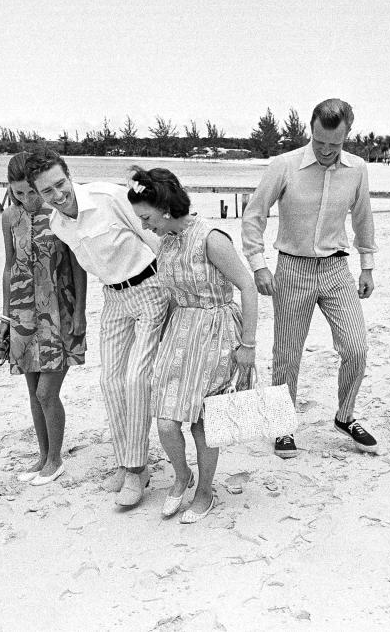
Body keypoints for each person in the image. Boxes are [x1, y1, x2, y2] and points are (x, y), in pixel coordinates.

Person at [24, 149, 169, 507]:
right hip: (114, 298)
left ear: (69, 175)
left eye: (61, 184)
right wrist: (79, 313)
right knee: (110, 381)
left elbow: (154, 236)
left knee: (137, 378)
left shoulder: (108, 196)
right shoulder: (58, 224)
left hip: (150, 287)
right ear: (38, 194)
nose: (58, 195)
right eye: (47, 192)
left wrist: (177, 288)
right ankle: (127, 460)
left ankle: (136, 470)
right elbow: (86, 268)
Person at [242, 98, 380, 458]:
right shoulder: (284, 166)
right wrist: (258, 264)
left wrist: (367, 266)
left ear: (347, 135)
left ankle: (345, 415)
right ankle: (281, 427)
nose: (326, 150)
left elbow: (363, 218)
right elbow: (254, 214)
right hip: (292, 269)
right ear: (311, 130)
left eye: (335, 144)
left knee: (356, 347)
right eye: (320, 142)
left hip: (337, 269)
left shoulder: (357, 169)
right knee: (287, 354)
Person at [127, 166, 258, 524]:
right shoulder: (167, 241)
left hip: (216, 330)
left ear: (165, 209)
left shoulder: (212, 238)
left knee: (203, 421)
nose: (144, 225)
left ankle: (205, 490)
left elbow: (247, 286)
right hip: (179, 330)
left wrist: (248, 344)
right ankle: (182, 475)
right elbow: (172, 293)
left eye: (146, 217)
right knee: (166, 421)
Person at [0, 153, 87, 486]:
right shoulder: (9, 217)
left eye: (32, 192)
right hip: (22, 312)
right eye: (19, 193)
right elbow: (9, 267)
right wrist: (5, 316)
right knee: (33, 391)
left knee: (47, 392)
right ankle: (42, 456)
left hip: (58, 312)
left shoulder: (60, 215)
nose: (27, 199)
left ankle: (56, 459)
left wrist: (80, 311)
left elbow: (78, 265)